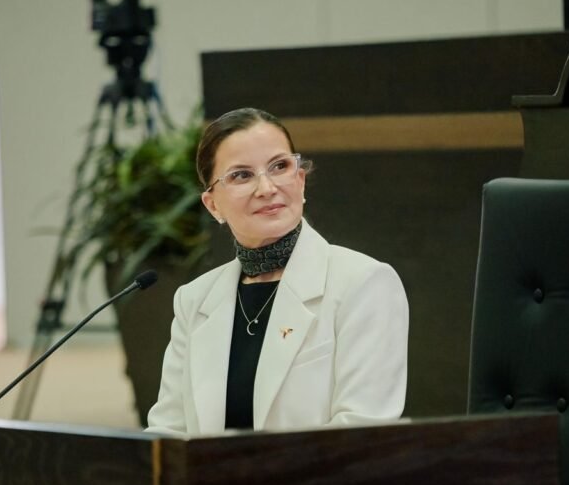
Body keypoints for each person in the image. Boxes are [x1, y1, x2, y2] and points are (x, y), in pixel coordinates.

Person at [146, 108, 408, 434]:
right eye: (242, 175)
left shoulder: (363, 283)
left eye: (280, 166)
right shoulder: (194, 299)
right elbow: (168, 432)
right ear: (213, 205)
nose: (267, 188)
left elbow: (364, 431)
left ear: (300, 180)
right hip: (211, 471)